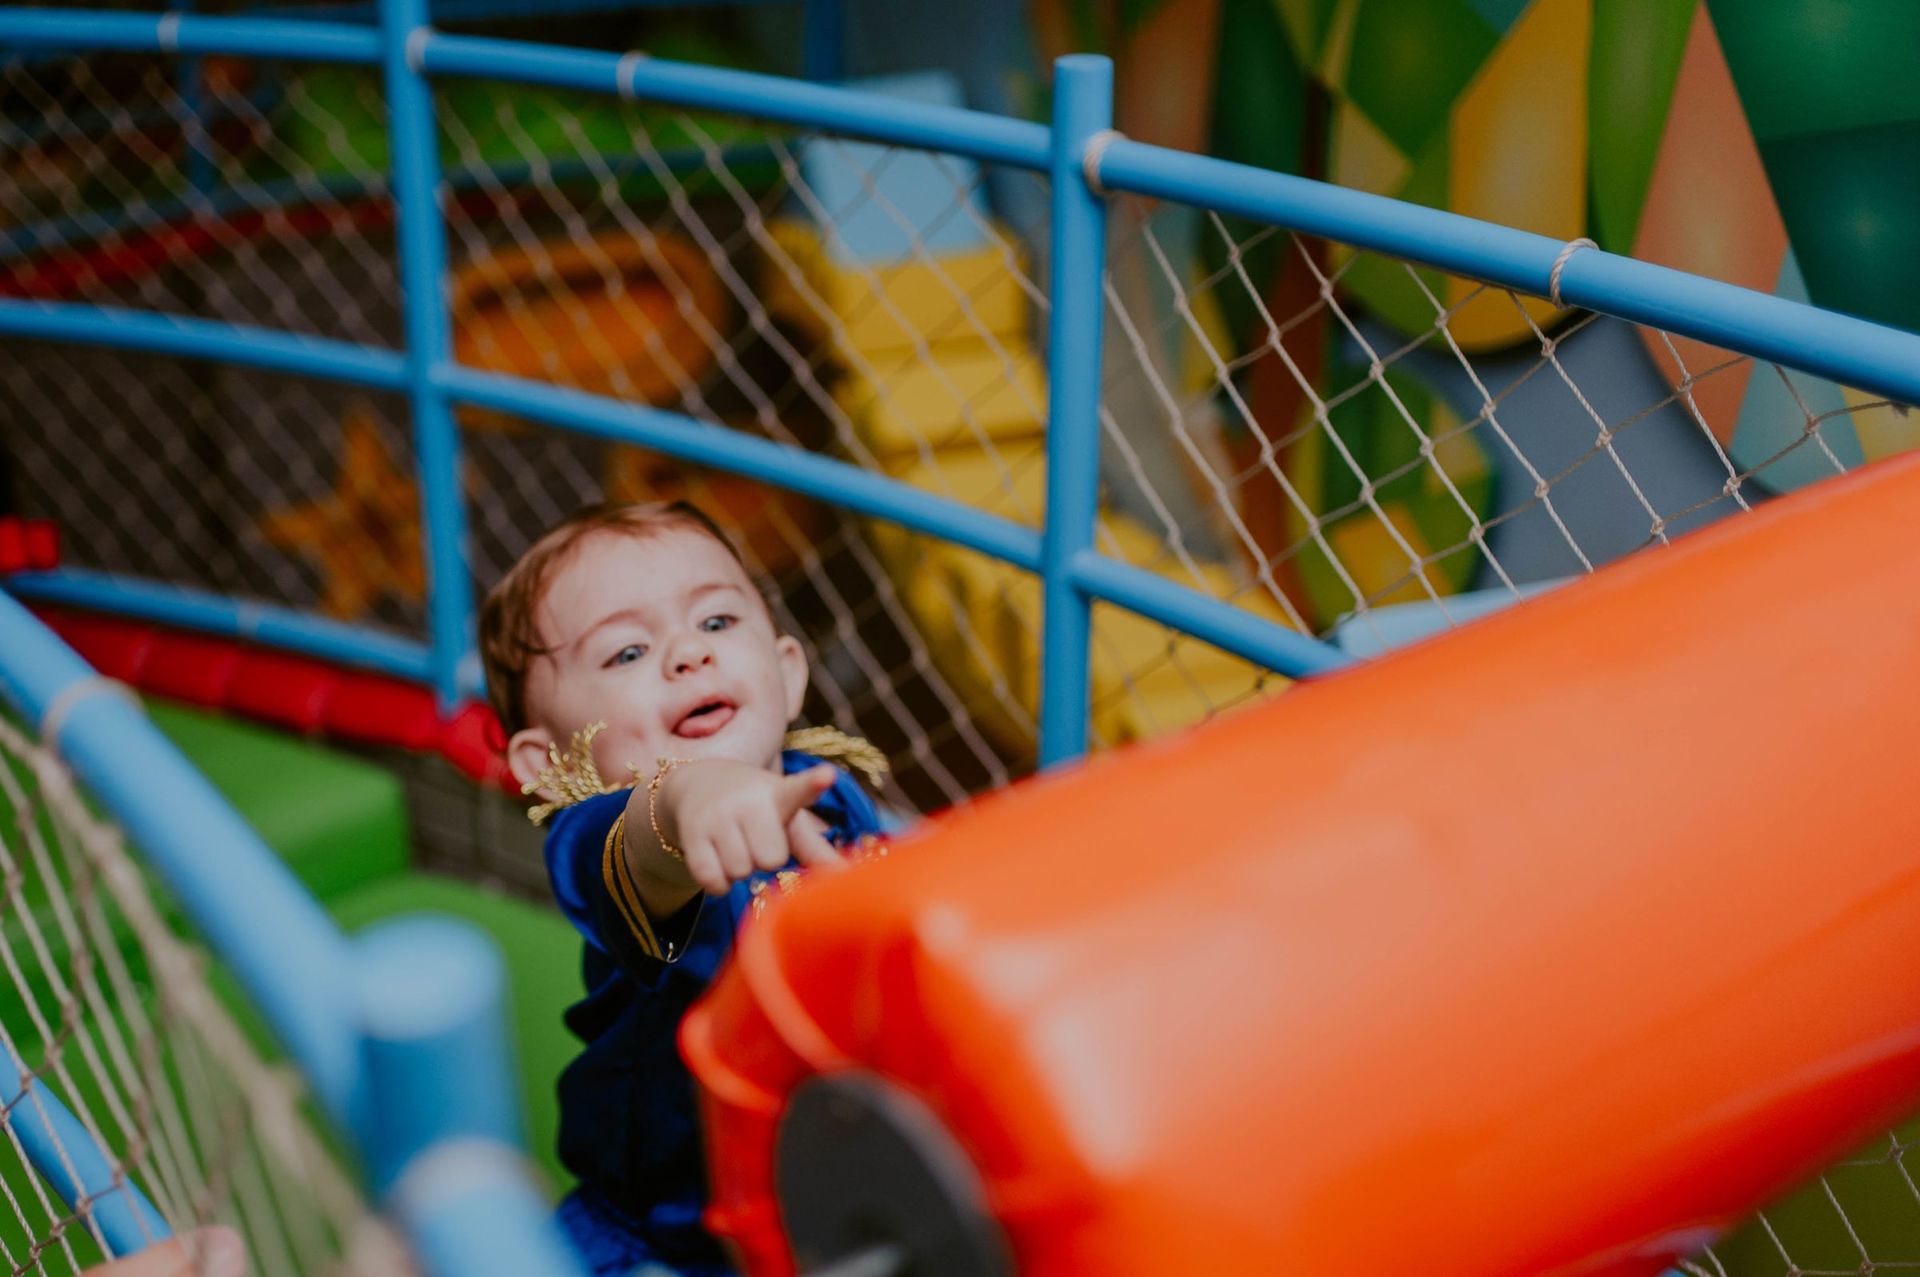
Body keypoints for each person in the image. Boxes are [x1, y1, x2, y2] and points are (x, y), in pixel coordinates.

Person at [480, 501, 886, 1277]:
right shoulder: (610, 839)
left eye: (718, 622)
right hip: (674, 1244)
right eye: (627, 652)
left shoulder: (827, 792)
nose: (687, 655)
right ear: (549, 762)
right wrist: (686, 801)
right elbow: (643, 844)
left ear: (788, 670)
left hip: (832, 1199)